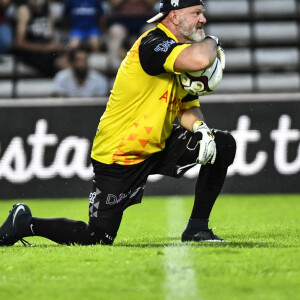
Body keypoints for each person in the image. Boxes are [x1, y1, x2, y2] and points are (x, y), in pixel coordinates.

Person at [0, 0, 236, 247]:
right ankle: (25, 222)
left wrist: (200, 129)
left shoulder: (178, 52)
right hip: (120, 153)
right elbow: (200, 60)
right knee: (98, 238)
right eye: (196, 13)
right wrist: (212, 41)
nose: (203, 19)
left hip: (158, 143)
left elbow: (187, 107)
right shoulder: (152, 44)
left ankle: (197, 228)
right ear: (175, 17)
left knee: (222, 143)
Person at [15, 0, 67, 77]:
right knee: (63, 64)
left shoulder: (48, 10)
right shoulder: (25, 10)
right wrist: (46, 48)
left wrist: (57, 46)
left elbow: (51, 38)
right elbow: (20, 43)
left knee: (71, 56)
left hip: (47, 51)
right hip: (31, 52)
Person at [107, 0, 157, 70]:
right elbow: (115, 4)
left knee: (152, 31)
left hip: (144, 18)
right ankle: (115, 68)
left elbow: (151, 3)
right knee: (115, 32)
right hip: (122, 18)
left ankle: (151, 65)